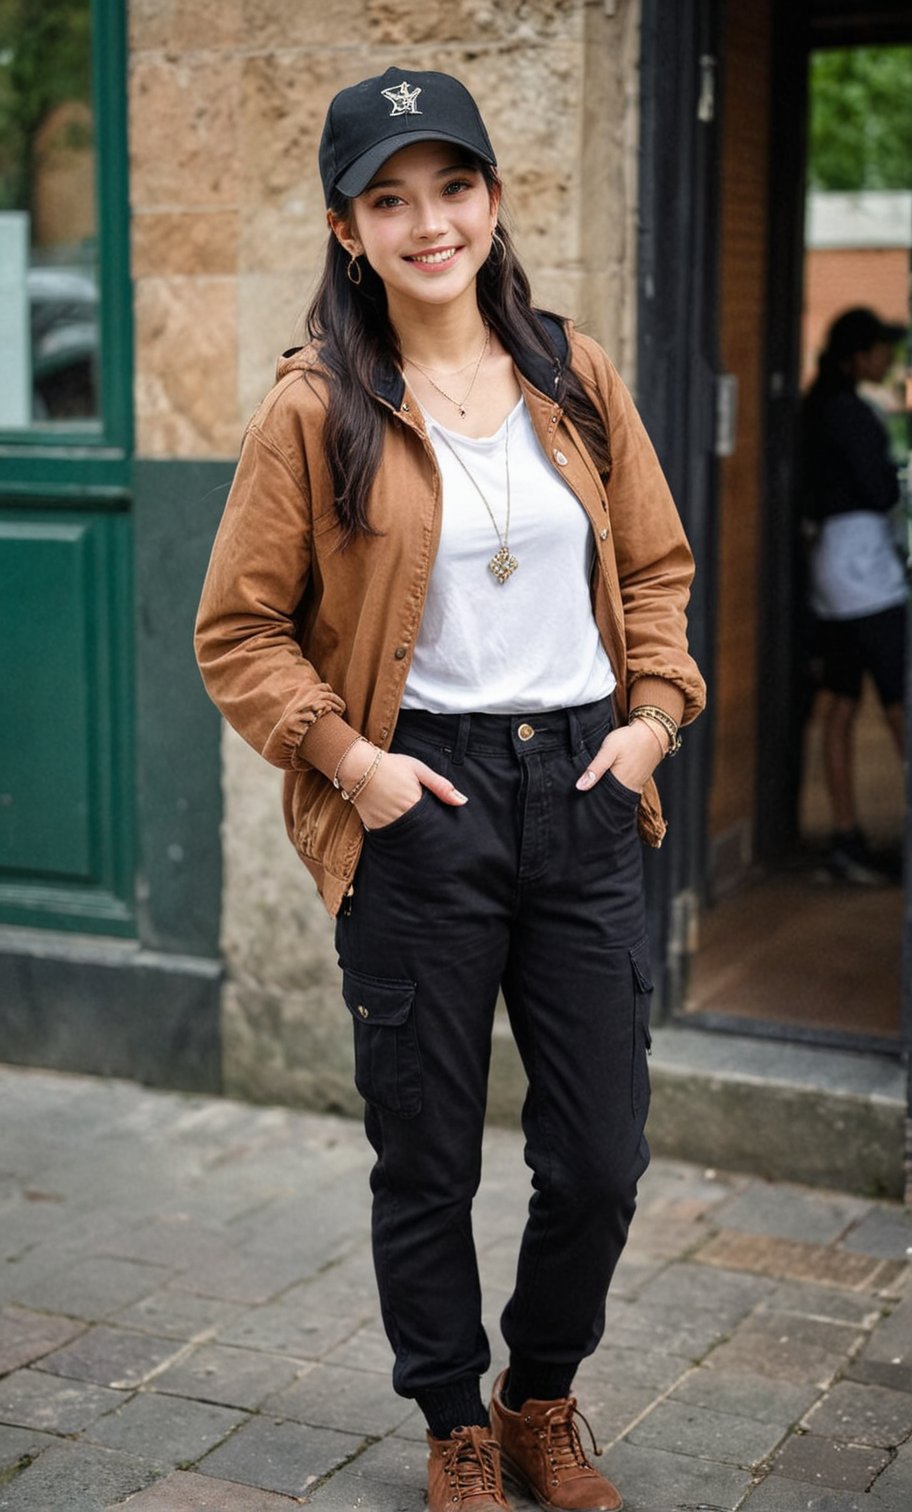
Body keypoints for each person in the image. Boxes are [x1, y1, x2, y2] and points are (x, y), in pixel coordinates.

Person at [195, 67, 705, 1512]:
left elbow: (657, 568)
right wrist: (352, 761)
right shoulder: (318, 408)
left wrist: (655, 719)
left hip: (588, 783)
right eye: (391, 198)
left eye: (454, 186)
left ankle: (537, 1397)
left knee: (601, 1155)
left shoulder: (570, 373)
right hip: (423, 799)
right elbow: (236, 627)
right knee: (426, 1151)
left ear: (491, 198)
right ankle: (452, 1426)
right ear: (349, 229)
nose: (431, 221)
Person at [800, 306, 908, 885]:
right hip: (865, 568)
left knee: (841, 704)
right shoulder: (852, 414)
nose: (889, 358)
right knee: (899, 698)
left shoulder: (820, 408)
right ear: (858, 355)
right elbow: (882, 486)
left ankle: (846, 837)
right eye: (881, 349)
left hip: (831, 569)